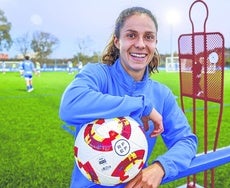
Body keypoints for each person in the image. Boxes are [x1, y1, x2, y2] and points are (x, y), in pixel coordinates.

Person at [59, 7, 197, 188]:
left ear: (155, 43)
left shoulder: (162, 95)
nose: (140, 44)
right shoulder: (98, 75)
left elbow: (186, 141)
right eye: (131, 35)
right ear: (117, 41)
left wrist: (161, 166)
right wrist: (143, 106)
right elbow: (70, 106)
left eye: (148, 37)